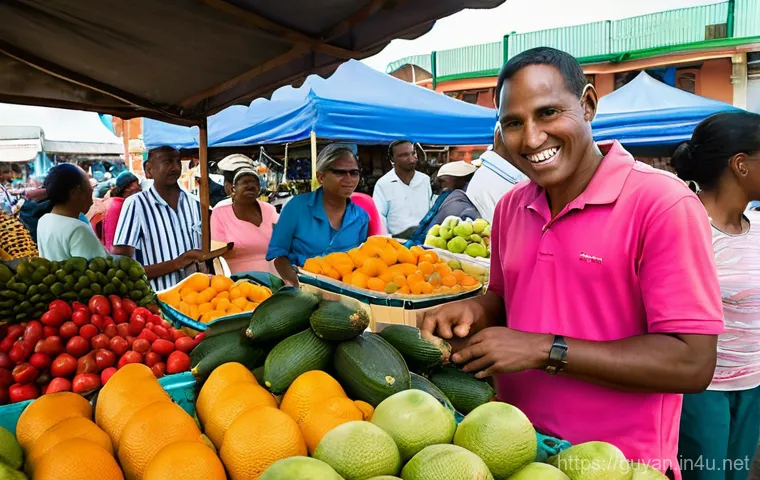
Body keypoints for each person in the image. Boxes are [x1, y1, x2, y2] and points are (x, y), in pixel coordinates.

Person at [419, 47, 723, 480]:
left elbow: (692, 364)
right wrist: (475, 310)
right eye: (512, 123)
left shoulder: (662, 204)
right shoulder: (509, 208)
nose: (531, 138)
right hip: (514, 450)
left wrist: (545, 349)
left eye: (547, 113)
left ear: (588, 105)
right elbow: (507, 298)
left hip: (619, 464)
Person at [671, 111, 760, 480]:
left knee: (737, 474)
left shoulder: (756, 228)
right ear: (740, 164)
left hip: (753, 384)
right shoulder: (684, 228)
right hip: (703, 390)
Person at [267, 144, 369, 287]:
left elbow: (361, 263)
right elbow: (278, 256)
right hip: (301, 290)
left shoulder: (361, 217)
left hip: (345, 295)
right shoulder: (296, 208)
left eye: (354, 173)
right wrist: (298, 286)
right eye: (340, 173)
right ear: (321, 177)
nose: (349, 179)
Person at [112, 146, 204, 291]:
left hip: (197, 298)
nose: (175, 168)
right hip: (156, 301)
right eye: (167, 162)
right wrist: (176, 264)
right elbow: (122, 265)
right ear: (149, 169)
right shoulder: (136, 204)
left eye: (177, 161)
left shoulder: (196, 204)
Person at [211, 155, 279, 275]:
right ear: (230, 188)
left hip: (277, 280)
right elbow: (217, 253)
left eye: (254, 182)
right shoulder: (220, 212)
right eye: (244, 182)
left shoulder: (269, 210)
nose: (250, 186)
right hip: (240, 284)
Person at [36, 163, 108, 261]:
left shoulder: (44, 220)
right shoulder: (78, 229)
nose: (91, 201)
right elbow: (100, 269)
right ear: (74, 193)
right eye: (89, 191)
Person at [466, 123, 527, 223]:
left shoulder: (513, 177)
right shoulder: (488, 181)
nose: (532, 141)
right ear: (498, 135)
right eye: (515, 125)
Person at [372, 140, 432, 236]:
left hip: (424, 240)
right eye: (404, 155)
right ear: (392, 159)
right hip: (396, 242)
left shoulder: (425, 180)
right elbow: (379, 218)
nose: (411, 159)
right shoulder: (383, 184)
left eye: (413, 153)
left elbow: (433, 212)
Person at [102, 172, 141, 253]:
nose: (140, 189)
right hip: (117, 255)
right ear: (127, 189)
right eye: (137, 186)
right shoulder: (120, 206)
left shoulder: (111, 202)